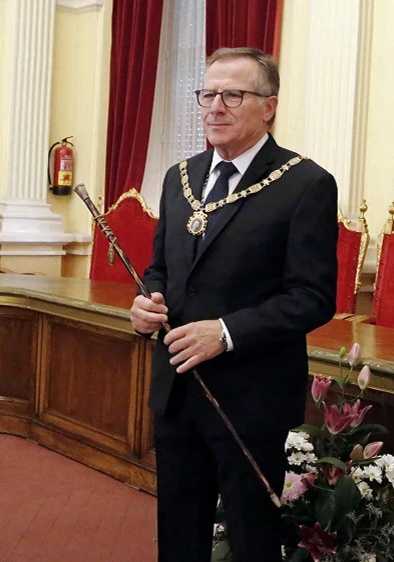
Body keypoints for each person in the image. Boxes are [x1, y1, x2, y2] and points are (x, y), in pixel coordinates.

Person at [129, 47, 338, 561]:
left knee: (251, 539)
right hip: (177, 388)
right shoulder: (180, 179)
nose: (214, 107)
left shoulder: (305, 183)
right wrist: (147, 303)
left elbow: (312, 299)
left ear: (268, 106)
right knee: (179, 532)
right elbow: (161, 268)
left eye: (232, 95)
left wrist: (223, 332)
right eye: (207, 94)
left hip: (252, 397)